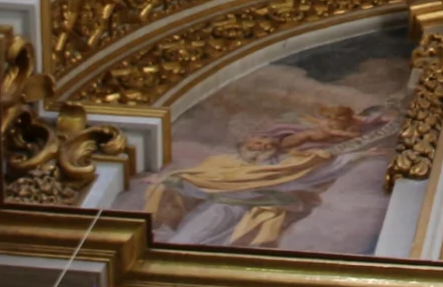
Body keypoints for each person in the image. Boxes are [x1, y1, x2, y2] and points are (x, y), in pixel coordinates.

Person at [143, 104, 392, 248]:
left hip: (256, 214)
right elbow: (198, 180)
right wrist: (167, 181)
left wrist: (359, 156)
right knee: (189, 241)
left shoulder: (282, 165)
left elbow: (313, 171)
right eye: (258, 142)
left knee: (238, 251)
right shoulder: (223, 162)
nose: (263, 146)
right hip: (218, 210)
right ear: (245, 143)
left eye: (267, 143)